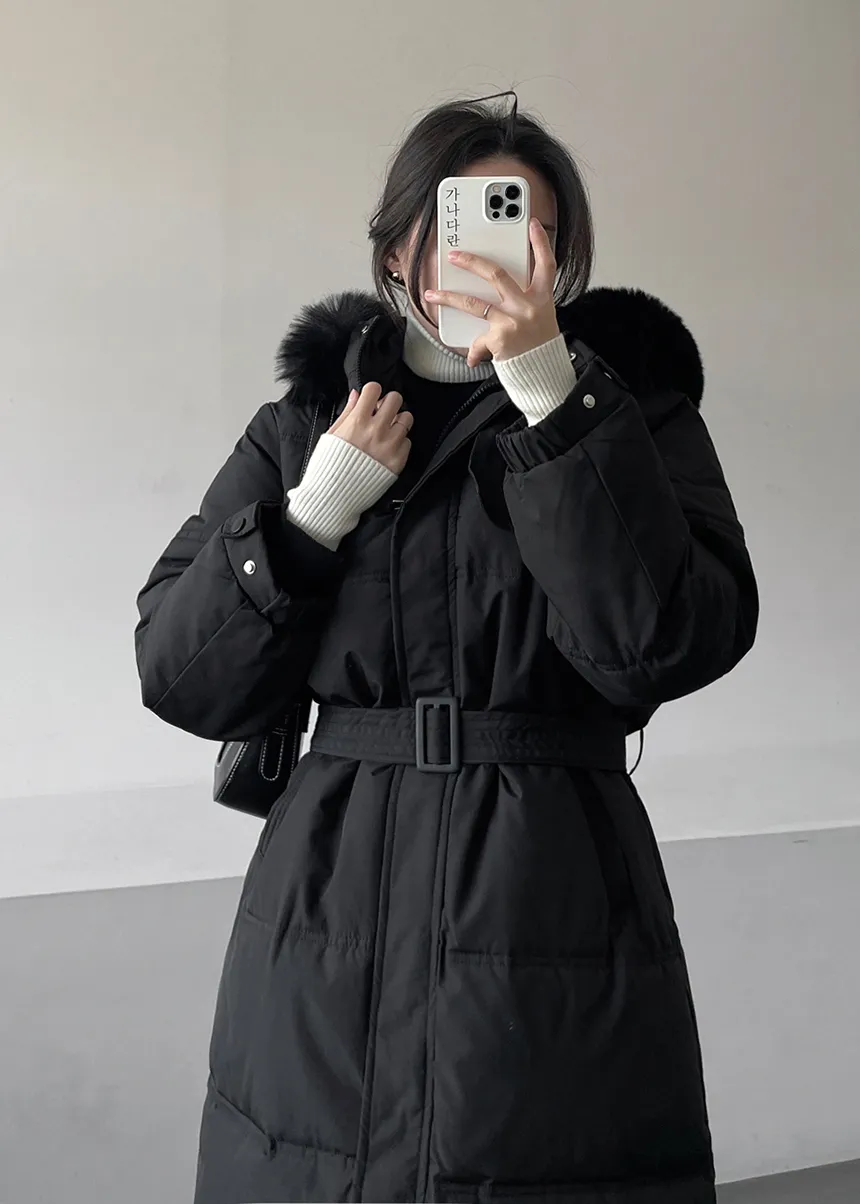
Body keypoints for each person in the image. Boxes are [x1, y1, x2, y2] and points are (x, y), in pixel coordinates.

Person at [135, 93, 758, 1204]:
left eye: (531, 229)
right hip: (329, 898)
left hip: (548, 886)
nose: (499, 254)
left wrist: (557, 406)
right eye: (461, 224)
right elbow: (180, 675)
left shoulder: (631, 413)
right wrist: (309, 517)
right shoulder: (306, 424)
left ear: (561, 258)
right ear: (397, 253)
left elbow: (661, 641)